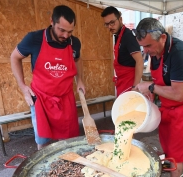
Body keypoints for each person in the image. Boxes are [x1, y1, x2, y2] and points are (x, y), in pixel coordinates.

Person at [134, 18, 183, 177]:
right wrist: (153, 91)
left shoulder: (180, 53)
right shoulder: (155, 52)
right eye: (142, 47)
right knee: (167, 143)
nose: (145, 52)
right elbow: (160, 79)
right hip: (167, 106)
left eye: (148, 46)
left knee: (177, 151)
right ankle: (168, 164)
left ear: (162, 37)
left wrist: (151, 88)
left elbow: (179, 94)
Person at [11, 5, 85, 150]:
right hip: (41, 99)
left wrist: (80, 80)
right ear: (52, 21)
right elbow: (14, 57)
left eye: (70, 31)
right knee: (42, 141)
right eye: (61, 30)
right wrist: (23, 87)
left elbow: (78, 59)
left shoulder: (74, 42)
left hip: (65, 99)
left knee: (69, 140)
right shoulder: (34, 39)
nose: (65, 36)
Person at [101, 6, 144, 97]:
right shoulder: (118, 35)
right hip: (122, 81)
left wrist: (135, 87)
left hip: (130, 83)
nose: (109, 27)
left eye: (112, 23)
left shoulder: (128, 36)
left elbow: (139, 61)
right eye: (107, 24)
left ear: (120, 19)